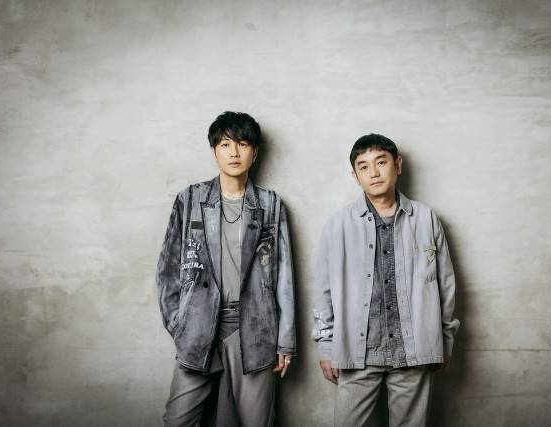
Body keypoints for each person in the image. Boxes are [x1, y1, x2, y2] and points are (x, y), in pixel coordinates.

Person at [156, 111, 296, 427]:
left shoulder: (270, 204)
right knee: (178, 420)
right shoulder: (190, 199)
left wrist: (285, 340)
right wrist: (180, 325)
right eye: (225, 144)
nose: (234, 152)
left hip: (255, 326)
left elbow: (284, 275)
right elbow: (167, 270)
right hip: (199, 325)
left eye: (242, 144)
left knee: (255, 421)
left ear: (255, 152)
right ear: (214, 151)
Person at [312, 134, 459, 427]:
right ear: (355, 176)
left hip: (415, 349)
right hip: (357, 351)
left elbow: (445, 284)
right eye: (364, 166)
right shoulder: (338, 225)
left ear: (398, 165)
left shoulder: (425, 219)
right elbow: (323, 291)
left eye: (381, 162)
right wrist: (326, 346)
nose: (374, 173)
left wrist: (444, 340)